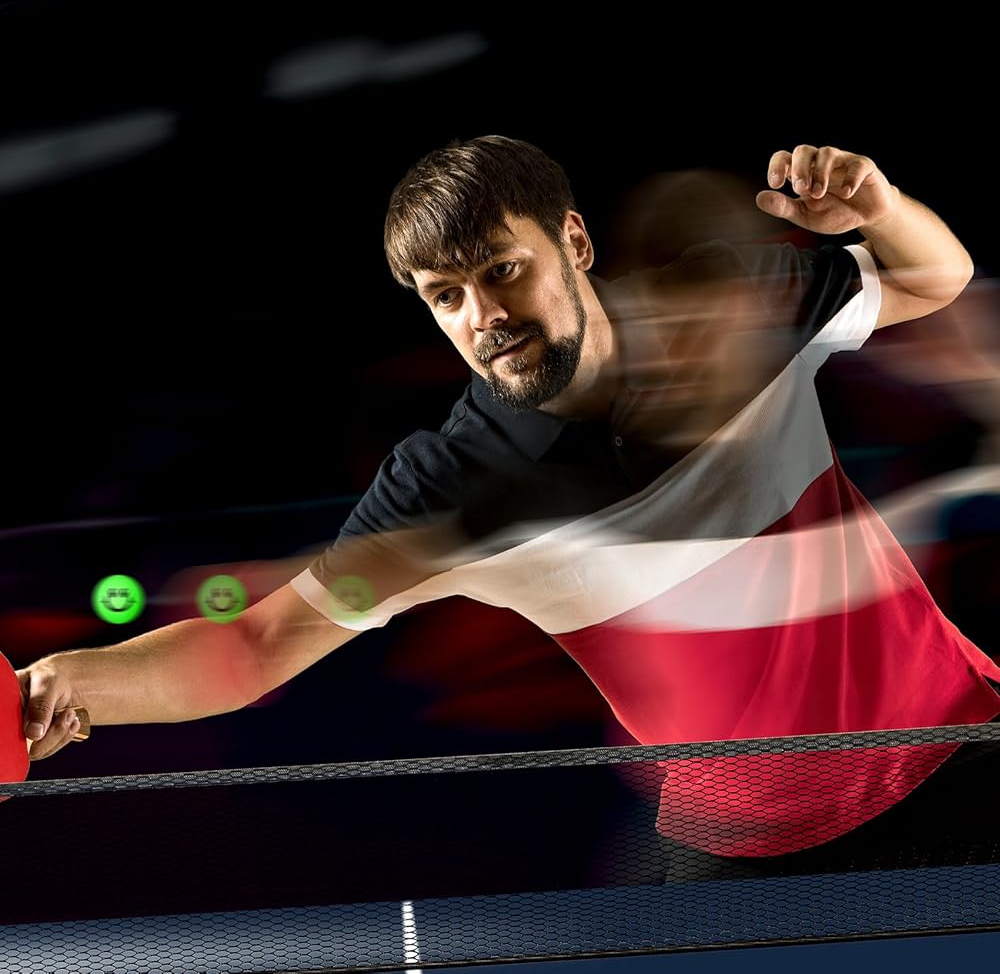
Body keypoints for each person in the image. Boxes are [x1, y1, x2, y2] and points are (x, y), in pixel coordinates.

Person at [18, 138, 1000, 877]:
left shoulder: (737, 305)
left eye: (501, 270)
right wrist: (54, 688)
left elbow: (931, 278)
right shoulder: (452, 490)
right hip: (748, 851)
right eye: (445, 296)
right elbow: (256, 646)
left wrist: (882, 208)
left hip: (964, 751)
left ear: (572, 239)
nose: (482, 316)